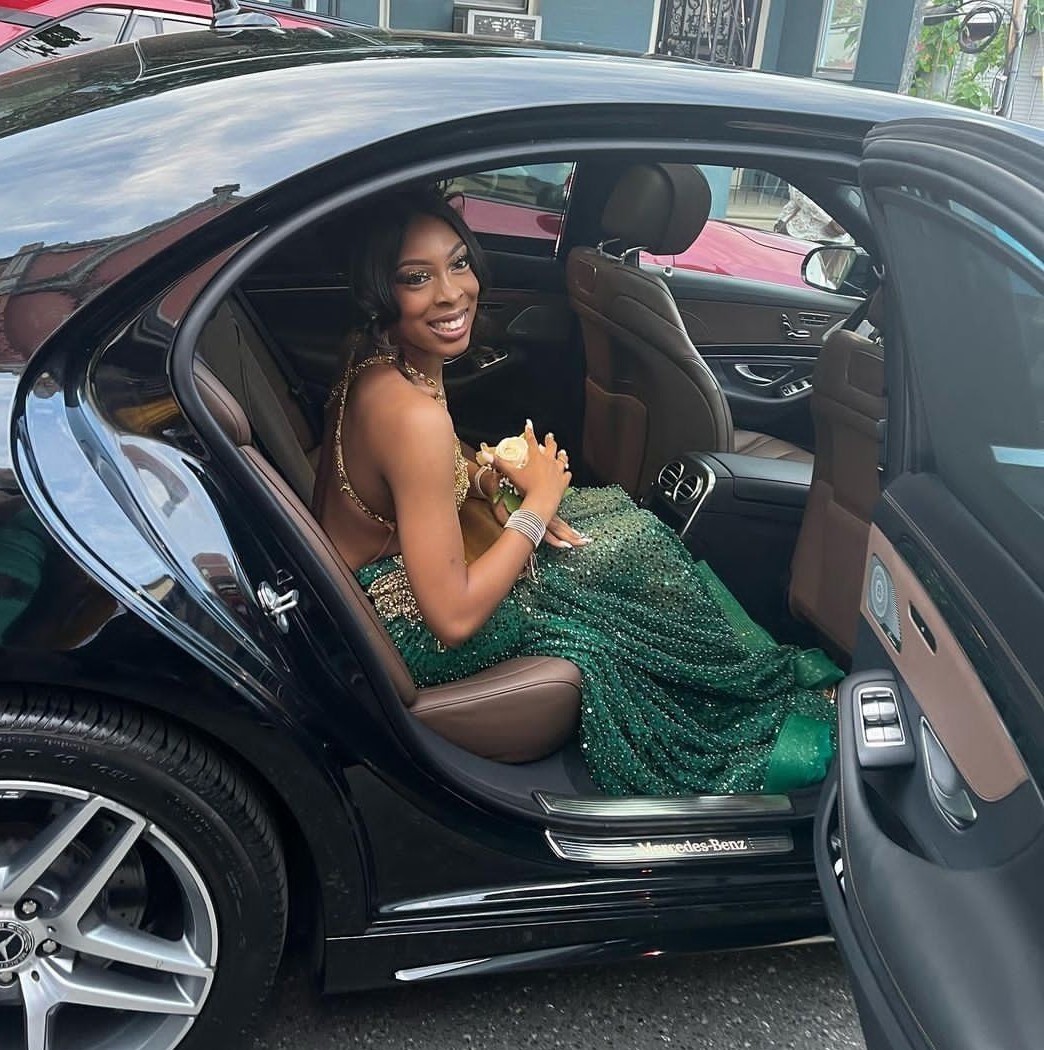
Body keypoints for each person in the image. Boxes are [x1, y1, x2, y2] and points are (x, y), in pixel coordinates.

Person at [313, 186, 839, 797]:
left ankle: (748, 678)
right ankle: (752, 708)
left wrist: (491, 478)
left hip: (381, 584)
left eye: (458, 264)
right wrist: (536, 507)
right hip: (405, 625)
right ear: (381, 290)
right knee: (621, 572)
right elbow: (452, 619)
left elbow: (421, 473)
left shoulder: (378, 361)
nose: (451, 293)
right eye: (416, 277)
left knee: (621, 521)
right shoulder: (412, 416)